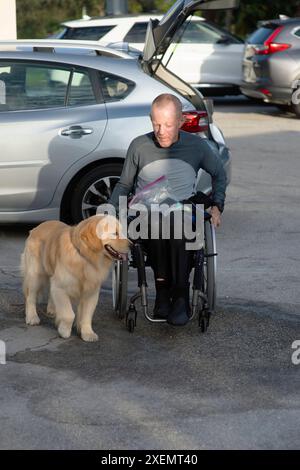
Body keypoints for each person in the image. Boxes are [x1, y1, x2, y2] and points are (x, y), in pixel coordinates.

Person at [109, 93, 226, 326]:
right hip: (146, 213)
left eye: (168, 125)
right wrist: (111, 215)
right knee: (157, 222)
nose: (161, 131)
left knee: (175, 221)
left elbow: (219, 173)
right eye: (156, 124)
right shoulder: (139, 146)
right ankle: (163, 293)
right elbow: (124, 184)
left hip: (183, 211)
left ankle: (179, 295)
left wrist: (217, 205)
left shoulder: (196, 146)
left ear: (181, 122)